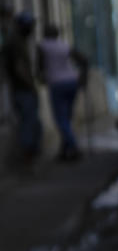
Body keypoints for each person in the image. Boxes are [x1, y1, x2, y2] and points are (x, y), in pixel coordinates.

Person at [36, 24, 87, 161]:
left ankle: (73, 146)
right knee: (66, 118)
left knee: (61, 119)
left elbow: (39, 67)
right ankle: (64, 150)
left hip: (57, 84)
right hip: (72, 82)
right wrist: (83, 77)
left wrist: (41, 76)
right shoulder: (64, 45)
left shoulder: (43, 46)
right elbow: (83, 60)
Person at [2, 11, 41, 163]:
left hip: (22, 88)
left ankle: (30, 153)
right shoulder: (15, 42)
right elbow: (19, 68)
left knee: (32, 123)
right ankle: (28, 155)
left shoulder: (18, 40)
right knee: (28, 122)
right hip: (22, 89)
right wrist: (30, 85)